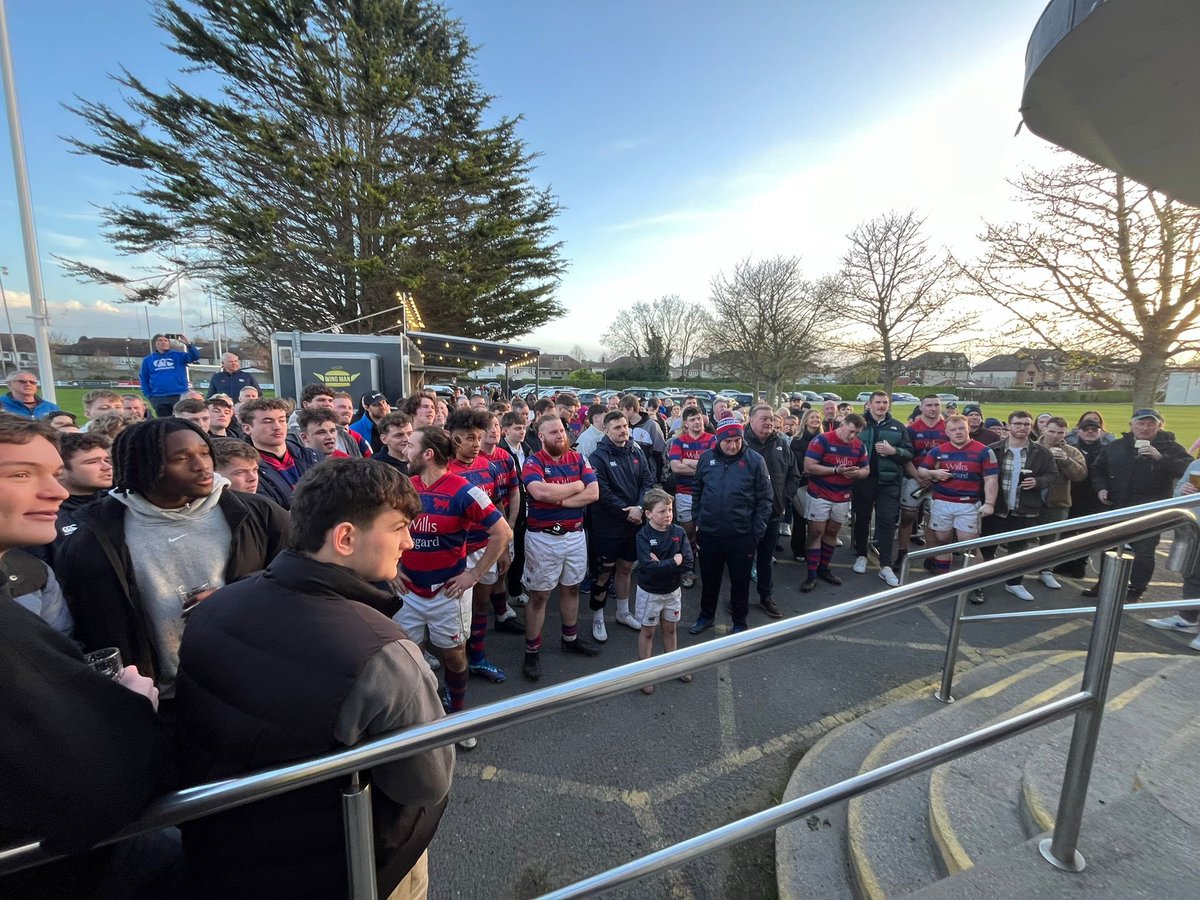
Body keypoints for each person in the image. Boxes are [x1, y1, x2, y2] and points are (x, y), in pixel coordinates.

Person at [175, 458, 453, 898]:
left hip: (226, 852)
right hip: (350, 864)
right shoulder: (383, 652)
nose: (410, 541)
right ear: (345, 538)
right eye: (399, 527)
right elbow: (425, 783)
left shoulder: (214, 607)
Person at [0, 415, 178, 900]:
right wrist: (133, 709)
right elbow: (92, 787)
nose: (54, 492)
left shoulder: (28, 573)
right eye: (20, 474)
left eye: (54, 474)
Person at [54, 418, 290, 697]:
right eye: (181, 458)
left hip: (253, 681)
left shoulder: (260, 514)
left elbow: (302, 579)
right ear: (144, 466)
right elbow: (88, 627)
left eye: (204, 453)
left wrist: (238, 596)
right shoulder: (96, 536)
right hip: (161, 698)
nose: (201, 465)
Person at [399, 426, 509, 747]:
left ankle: (458, 721)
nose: (406, 451)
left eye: (411, 446)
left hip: (448, 592)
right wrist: (392, 569)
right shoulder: (404, 487)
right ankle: (418, 717)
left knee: (454, 657)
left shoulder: (464, 491)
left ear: (427, 454)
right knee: (408, 658)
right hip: (408, 591)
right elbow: (384, 528)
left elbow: (502, 533)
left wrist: (473, 575)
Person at [520, 414, 601, 679]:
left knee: (572, 588)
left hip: (575, 536)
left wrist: (561, 500)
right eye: (553, 432)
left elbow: (593, 493)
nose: (560, 435)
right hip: (543, 539)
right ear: (541, 436)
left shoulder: (578, 458)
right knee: (540, 595)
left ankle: (570, 638)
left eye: (562, 431)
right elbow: (539, 493)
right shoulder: (533, 462)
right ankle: (532, 652)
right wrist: (576, 485)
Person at [1085, 408, 1192, 600]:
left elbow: (1188, 470)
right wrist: (1101, 488)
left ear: (1160, 426)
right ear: (1131, 425)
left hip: (1151, 510)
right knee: (1109, 547)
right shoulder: (1117, 446)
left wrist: (1160, 458)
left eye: (1151, 424)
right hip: (1117, 505)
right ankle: (1104, 583)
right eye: (1140, 423)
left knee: (1144, 552)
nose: (1145, 428)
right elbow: (1097, 468)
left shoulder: (1171, 447)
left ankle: (1136, 590)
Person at [444, 409, 514, 683]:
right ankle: (455, 672)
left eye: (478, 437)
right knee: (455, 619)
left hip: (486, 549)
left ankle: (478, 658)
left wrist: (505, 545)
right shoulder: (445, 469)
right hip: (457, 555)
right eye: (468, 438)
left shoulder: (488, 466)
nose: (475, 443)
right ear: (454, 439)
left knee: (481, 607)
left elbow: (497, 506)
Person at [687, 417, 771, 634]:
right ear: (718, 440)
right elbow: (697, 490)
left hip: (742, 536)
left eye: (737, 440)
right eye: (728, 441)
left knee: (740, 583)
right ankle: (706, 617)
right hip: (710, 534)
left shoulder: (755, 461)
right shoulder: (706, 459)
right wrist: (698, 520)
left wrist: (756, 531)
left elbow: (765, 499)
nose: (733, 445)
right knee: (709, 580)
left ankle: (740, 622)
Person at [975, 411, 1057, 602]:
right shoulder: (992, 449)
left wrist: (1037, 482)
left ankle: (1014, 583)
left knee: (1019, 548)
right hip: (996, 507)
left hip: (1025, 507)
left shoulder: (1041, 452)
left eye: (1026, 424)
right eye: (1018, 424)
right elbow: (980, 477)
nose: (1022, 428)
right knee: (986, 546)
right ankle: (978, 583)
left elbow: (1052, 475)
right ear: (1009, 426)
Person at [588, 410, 654, 640]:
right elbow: (602, 493)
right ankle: (597, 617)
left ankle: (623, 613)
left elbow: (648, 480)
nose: (622, 430)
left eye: (624, 426)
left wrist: (639, 507)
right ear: (606, 430)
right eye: (616, 427)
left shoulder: (636, 450)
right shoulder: (597, 457)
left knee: (626, 568)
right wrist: (628, 512)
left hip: (633, 523)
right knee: (603, 573)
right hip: (608, 526)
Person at [918, 414, 998, 592]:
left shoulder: (984, 451)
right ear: (947, 432)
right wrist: (934, 474)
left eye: (961, 428)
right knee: (942, 540)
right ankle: (944, 580)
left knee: (968, 543)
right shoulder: (938, 451)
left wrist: (990, 503)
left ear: (968, 428)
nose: (958, 432)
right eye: (953, 430)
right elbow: (921, 470)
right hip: (942, 502)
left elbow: (991, 479)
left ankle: (976, 585)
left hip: (968, 504)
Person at [801, 413, 870, 592]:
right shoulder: (822, 440)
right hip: (820, 493)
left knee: (832, 531)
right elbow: (808, 466)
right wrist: (836, 470)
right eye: (851, 431)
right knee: (816, 531)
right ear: (842, 424)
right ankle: (811, 574)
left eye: (857, 433)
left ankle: (824, 568)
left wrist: (856, 474)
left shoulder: (859, 446)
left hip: (842, 495)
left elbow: (866, 470)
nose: (852, 436)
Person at [635, 487, 694, 694]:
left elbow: (687, 561)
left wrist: (665, 564)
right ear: (648, 513)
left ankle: (672, 666)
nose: (668, 514)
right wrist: (673, 562)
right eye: (662, 511)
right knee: (648, 632)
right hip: (650, 593)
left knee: (670, 629)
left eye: (670, 510)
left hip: (672, 591)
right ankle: (645, 674)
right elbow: (649, 569)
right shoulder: (643, 536)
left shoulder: (678, 532)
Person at [850, 392, 912, 587]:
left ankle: (885, 565)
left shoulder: (898, 426)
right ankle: (861, 554)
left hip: (889, 482)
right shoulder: (859, 424)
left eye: (885, 402)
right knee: (862, 519)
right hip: (863, 480)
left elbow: (909, 452)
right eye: (877, 402)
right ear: (869, 404)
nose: (881, 405)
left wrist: (894, 451)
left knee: (887, 521)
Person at [743, 403, 799, 617]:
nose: (769, 422)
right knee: (743, 559)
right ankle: (739, 599)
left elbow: (794, 474)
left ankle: (766, 597)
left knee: (765, 560)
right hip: (746, 515)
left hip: (774, 514)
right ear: (751, 420)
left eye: (771, 419)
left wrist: (785, 498)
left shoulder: (782, 444)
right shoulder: (740, 443)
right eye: (763, 418)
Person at [1144, 457, 1200, 649]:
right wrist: (1183, 492)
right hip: (1195, 528)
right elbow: (1178, 491)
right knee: (1192, 575)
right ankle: (1188, 619)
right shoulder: (1196, 465)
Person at [1054, 411, 1117, 579]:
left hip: (1094, 498)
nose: (1090, 432)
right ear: (1079, 431)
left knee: (1087, 534)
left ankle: (1079, 564)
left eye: (1094, 430)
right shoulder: (1071, 449)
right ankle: (1063, 562)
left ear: (1100, 432)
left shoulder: (1107, 450)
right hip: (1072, 494)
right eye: (1086, 429)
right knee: (1067, 531)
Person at [1035, 416, 1088, 589]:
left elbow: (1080, 475)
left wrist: (1066, 460)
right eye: (1051, 431)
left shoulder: (1072, 451)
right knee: (1022, 539)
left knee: (1050, 541)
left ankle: (1046, 571)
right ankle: (1016, 573)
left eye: (1060, 432)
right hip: (1030, 501)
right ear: (1043, 430)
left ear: (1065, 433)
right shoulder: (1032, 447)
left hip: (1058, 502)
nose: (1055, 436)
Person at [241, 397, 322, 510]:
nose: (277, 427)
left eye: (282, 420)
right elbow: (269, 513)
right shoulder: (245, 471)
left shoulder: (313, 457)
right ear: (247, 428)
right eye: (268, 421)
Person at [667, 405, 717, 586]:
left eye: (699, 418)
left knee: (707, 532)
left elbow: (714, 466)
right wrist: (702, 466)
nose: (697, 422)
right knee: (688, 533)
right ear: (686, 424)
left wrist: (687, 461)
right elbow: (675, 467)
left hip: (708, 494)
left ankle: (709, 568)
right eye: (692, 419)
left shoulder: (713, 439)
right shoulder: (679, 442)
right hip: (684, 494)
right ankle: (689, 568)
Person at [897, 396, 945, 569]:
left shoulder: (948, 428)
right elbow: (906, 457)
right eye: (929, 405)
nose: (933, 408)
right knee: (908, 516)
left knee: (932, 520)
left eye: (937, 405)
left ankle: (930, 557)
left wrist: (934, 478)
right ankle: (902, 553)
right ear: (921, 407)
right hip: (913, 478)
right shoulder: (911, 429)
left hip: (939, 482)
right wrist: (918, 477)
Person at [788, 408, 824, 561]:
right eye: (812, 417)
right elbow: (798, 462)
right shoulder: (797, 440)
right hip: (802, 483)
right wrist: (814, 468)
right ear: (806, 420)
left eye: (817, 417)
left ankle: (814, 548)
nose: (815, 420)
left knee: (818, 521)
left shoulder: (825, 439)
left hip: (821, 484)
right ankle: (798, 549)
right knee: (800, 519)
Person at [139, 333, 201, 417]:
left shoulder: (178, 356)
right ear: (155, 343)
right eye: (160, 340)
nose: (163, 342)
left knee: (182, 418)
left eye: (165, 340)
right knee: (164, 423)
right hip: (159, 397)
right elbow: (144, 378)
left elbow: (195, 356)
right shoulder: (148, 360)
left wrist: (188, 344)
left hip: (179, 394)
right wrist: (148, 395)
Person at [350, 390, 391, 454]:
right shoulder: (355, 429)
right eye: (376, 405)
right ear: (367, 407)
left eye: (383, 402)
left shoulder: (394, 424)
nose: (382, 407)